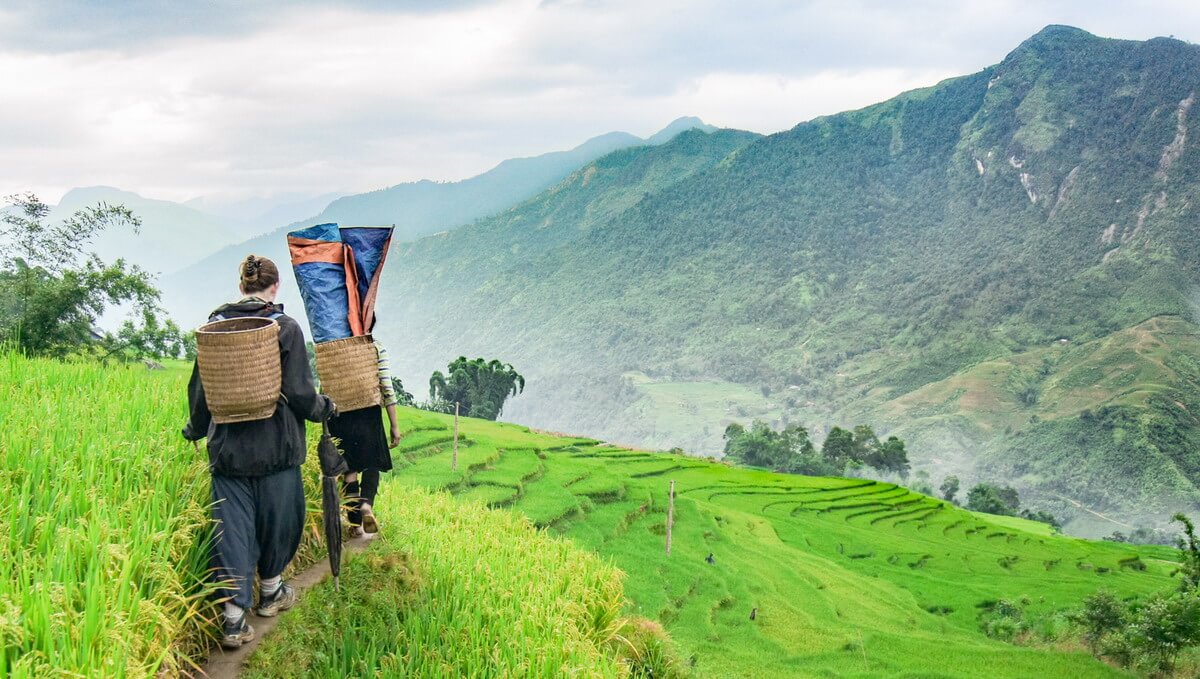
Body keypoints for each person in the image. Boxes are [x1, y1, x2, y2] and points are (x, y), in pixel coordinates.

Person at [183, 255, 337, 650]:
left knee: (231, 531)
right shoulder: (285, 328)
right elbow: (300, 393)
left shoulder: (215, 327)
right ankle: (271, 592)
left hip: (228, 451)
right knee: (279, 522)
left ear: (241, 286)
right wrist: (324, 408)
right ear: (275, 286)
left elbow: (202, 389)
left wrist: (195, 429)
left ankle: (233, 619)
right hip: (276, 448)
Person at [330, 334, 401, 537]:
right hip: (368, 412)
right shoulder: (375, 346)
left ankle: (355, 525)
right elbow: (386, 386)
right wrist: (394, 425)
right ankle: (366, 505)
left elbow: (325, 385)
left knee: (349, 469)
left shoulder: (333, 348)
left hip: (340, 413)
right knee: (372, 463)